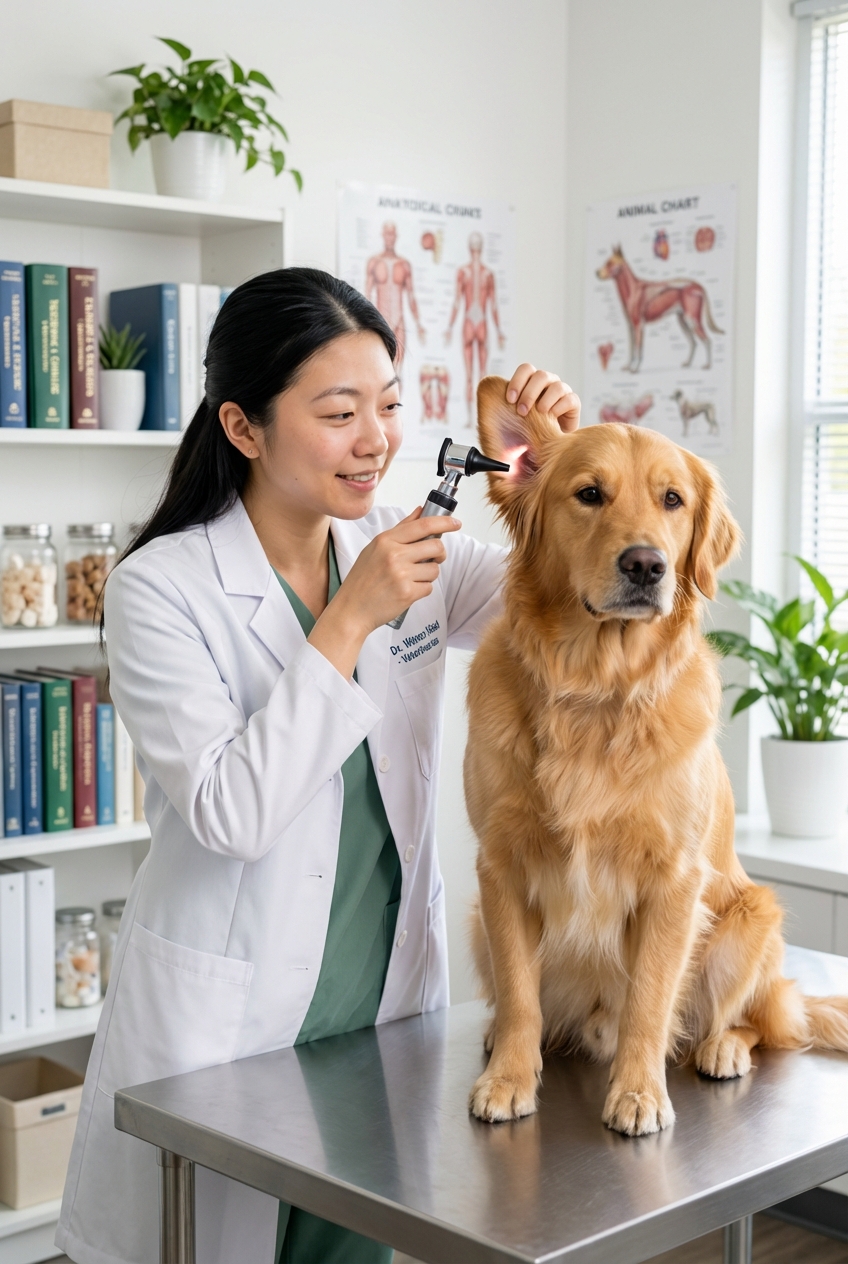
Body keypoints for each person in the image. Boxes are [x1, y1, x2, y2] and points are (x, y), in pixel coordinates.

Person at [55, 268, 579, 1264]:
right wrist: (348, 618)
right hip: (227, 1039)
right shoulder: (160, 588)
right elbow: (230, 811)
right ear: (243, 427)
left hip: (374, 1027)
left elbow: (567, 608)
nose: (375, 438)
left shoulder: (405, 550)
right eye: (338, 412)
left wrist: (551, 468)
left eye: (385, 405)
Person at [444, 231, 506, 425]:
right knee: (481, 377)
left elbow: (456, 302)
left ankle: (473, 420)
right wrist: (498, 331)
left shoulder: (464, 272)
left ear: (470, 248)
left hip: (470, 323)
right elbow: (493, 305)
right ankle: (479, 421)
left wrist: (450, 327)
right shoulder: (488, 274)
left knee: (473, 376)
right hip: (481, 324)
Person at [365, 221, 425, 371]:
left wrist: (418, 324)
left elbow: (411, 297)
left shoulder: (404, 265)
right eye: (387, 233)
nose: (390, 237)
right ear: (383, 235)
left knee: (397, 374)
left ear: (396, 236)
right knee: (379, 372)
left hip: (399, 322)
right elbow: (366, 296)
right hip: (380, 322)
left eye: (392, 234)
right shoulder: (374, 263)